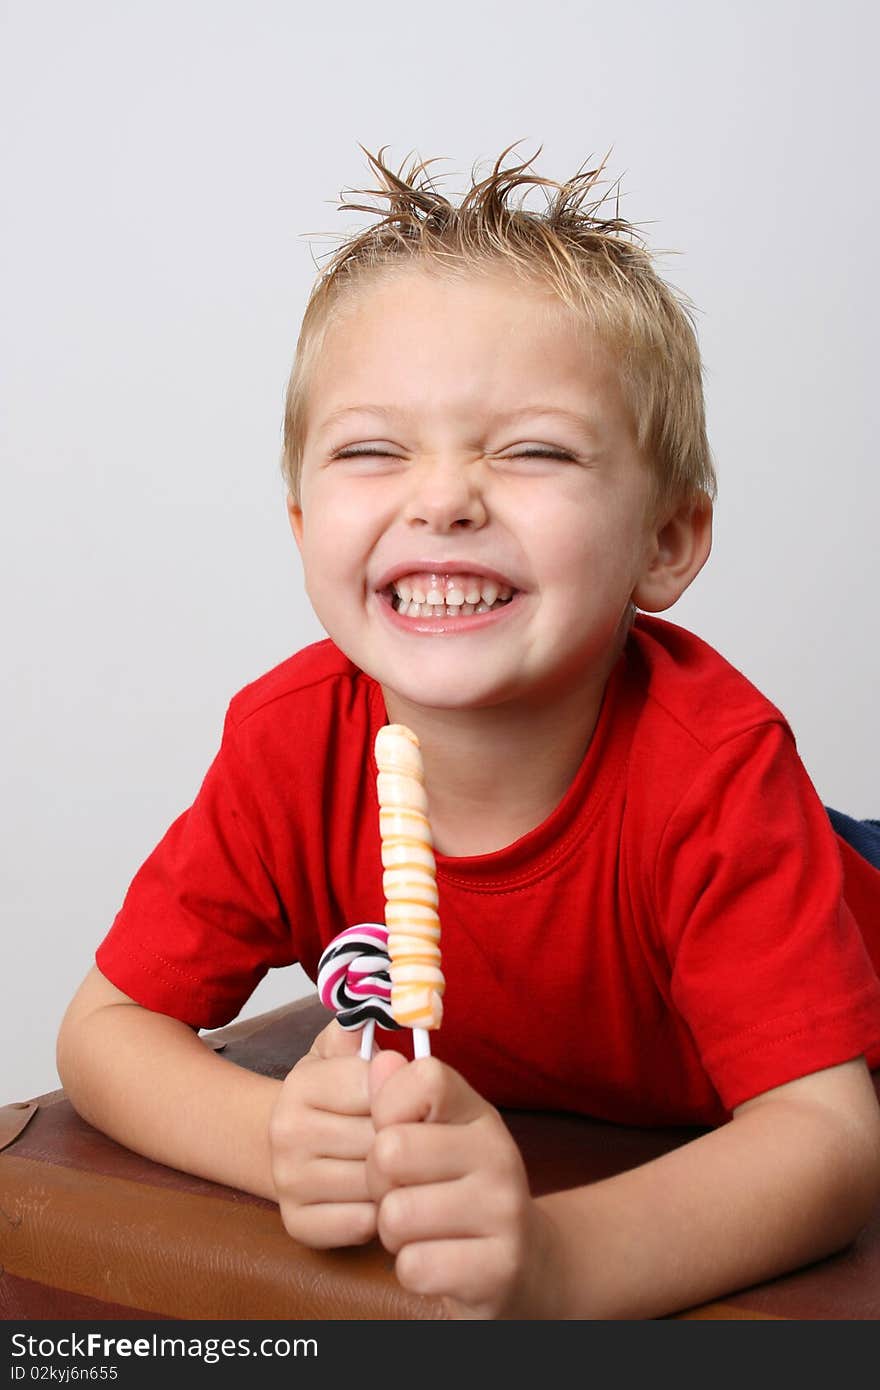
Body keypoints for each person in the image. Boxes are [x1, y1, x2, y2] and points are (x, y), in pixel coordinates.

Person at [56, 143, 880, 1320]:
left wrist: (553, 1259)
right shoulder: (287, 743)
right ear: (301, 523)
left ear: (668, 541)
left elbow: (827, 1137)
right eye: (371, 449)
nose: (442, 497)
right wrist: (278, 1136)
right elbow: (104, 1029)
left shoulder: (714, 768)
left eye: (533, 448)